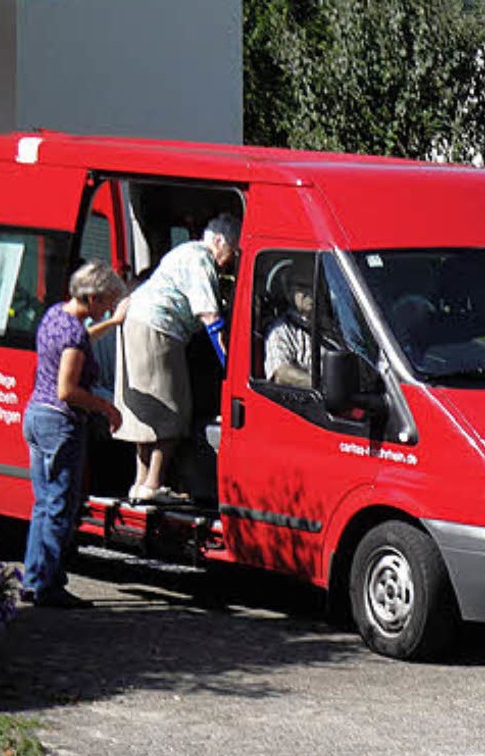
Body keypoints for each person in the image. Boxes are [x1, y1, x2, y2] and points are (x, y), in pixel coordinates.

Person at [114, 213, 241, 504]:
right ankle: (155, 484)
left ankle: (141, 483)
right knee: (172, 409)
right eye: (231, 253)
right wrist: (229, 367)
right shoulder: (200, 259)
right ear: (219, 242)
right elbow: (211, 319)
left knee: (147, 408)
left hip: (138, 324)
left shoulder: (182, 252)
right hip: (159, 329)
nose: (229, 261)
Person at [21, 260, 127, 608]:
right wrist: (105, 407)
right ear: (92, 297)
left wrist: (110, 324)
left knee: (42, 504)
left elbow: (78, 343)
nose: (109, 306)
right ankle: (46, 586)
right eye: (107, 301)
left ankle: (33, 579)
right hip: (59, 422)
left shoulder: (55, 315)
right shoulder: (75, 333)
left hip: (36, 415)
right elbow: (68, 390)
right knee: (59, 507)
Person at [264, 262, 314, 387]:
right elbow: (281, 373)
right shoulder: (280, 329)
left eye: (311, 286)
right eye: (301, 287)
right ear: (288, 291)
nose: (308, 292)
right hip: (306, 401)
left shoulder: (331, 325)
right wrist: (320, 385)